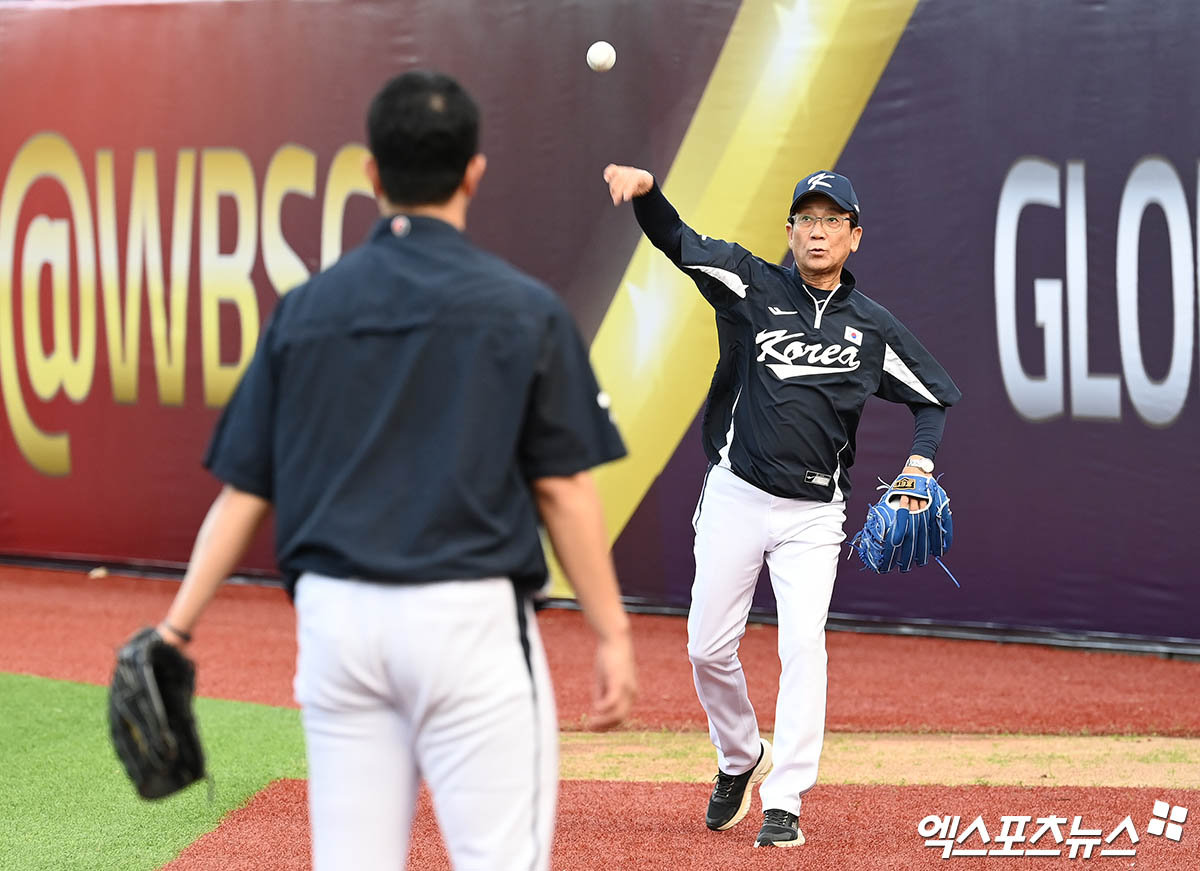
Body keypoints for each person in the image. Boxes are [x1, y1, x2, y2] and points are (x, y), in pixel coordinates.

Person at [150, 70, 637, 871]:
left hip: (339, 626)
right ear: (474, 172)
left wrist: (177, 626)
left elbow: (247, 490)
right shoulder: (524, 307)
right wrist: (612, 630)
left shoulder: (305, 310)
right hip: (468, 622)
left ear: (370, 173)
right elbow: (560, 487)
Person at [603, 164, 960, 847]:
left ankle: (786, 799)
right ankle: (740, 755)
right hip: (737, 491)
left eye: (832, 220)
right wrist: (648, 195)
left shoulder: (870, 328)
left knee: (803, 646)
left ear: (854, 236)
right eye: (806, 218)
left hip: (813, 515)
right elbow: (677, 241)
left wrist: (919, 461)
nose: (817, 230)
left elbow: (933, 397)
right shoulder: (750, 285)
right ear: (789, 231)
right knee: (707, 647)